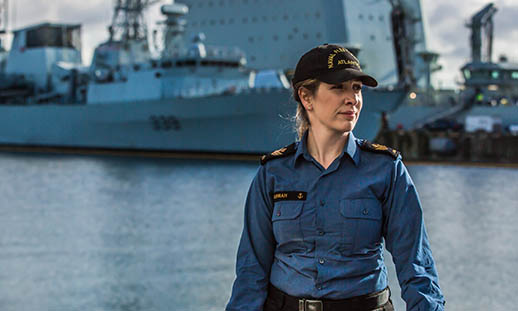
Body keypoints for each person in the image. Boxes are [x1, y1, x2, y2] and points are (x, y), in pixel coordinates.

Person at [226, 44, 445, 311]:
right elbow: (252, 270)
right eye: (338, 87)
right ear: (306, 98)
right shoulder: (273, 173)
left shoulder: (386, 169)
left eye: (357, 88)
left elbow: (417, 266)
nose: (352, 98)